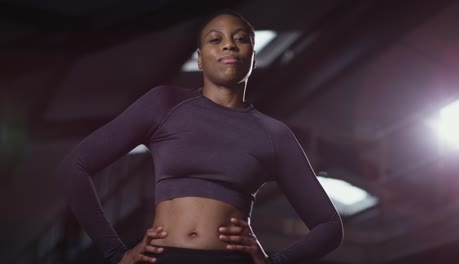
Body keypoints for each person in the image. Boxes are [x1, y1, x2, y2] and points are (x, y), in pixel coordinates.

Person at [56, 9, 343, 264]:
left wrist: (275, 261)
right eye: (215, 39)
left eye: (240, 38)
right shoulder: (163, 104)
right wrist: (115, 253)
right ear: (200, 59)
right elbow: (74, 167)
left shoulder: (273, 134)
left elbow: (329, 226)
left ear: (253, 58)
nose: (229, 44)